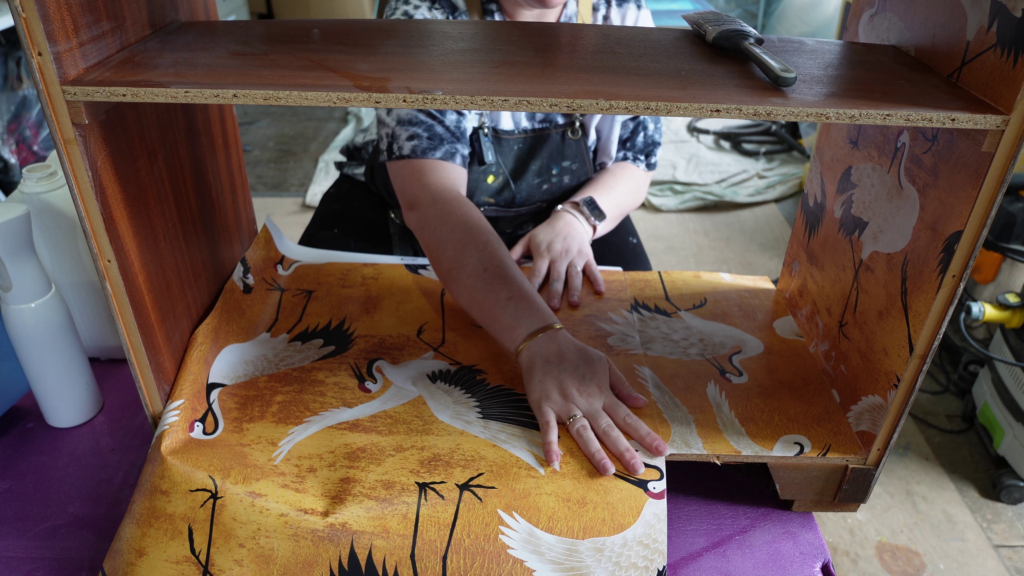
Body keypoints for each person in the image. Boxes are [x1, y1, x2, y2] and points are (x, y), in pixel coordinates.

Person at [300, 0, 669, 477]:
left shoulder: (619, 14)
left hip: (564, 213)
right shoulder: (424, 15)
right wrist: (540, 339)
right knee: (344, 390)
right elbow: (431, 201)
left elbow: (636, 161)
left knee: (642, 370)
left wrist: (579, 219)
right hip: (412, 213)